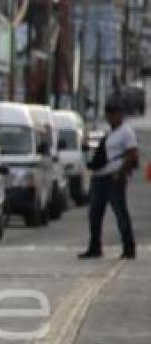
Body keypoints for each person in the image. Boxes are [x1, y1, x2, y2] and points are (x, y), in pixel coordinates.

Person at [78, 96, 138, 259]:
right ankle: (95, 246)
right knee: (95, 214)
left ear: (120, 114)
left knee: (120, 214)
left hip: (113, 179)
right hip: (99, 179)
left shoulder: (126, 132)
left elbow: (132, 154)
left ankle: (129, 248)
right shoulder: (110, 133)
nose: (110, 116)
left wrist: (121, 173)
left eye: (113, 113)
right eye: (108, 113)